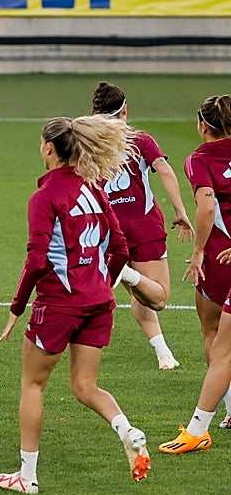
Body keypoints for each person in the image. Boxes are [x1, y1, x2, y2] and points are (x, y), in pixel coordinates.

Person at [0, 116, 151, 495]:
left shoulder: (44, 197)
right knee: (85, 385)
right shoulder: (94, 190)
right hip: (99, 302)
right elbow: (120, 250)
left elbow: (36, 261)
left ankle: (27, 476)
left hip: (59, 304)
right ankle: (126, 429)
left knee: (32, 384)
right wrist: (99, 283)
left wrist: (17, 308)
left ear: (49, 148)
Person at [93, 81, 193, 371]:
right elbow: (164, 169)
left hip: (109, 230)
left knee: (140, 293)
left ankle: (163, 352)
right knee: (158, 297)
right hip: (144, 225)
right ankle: (123, 272)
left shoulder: (89, 145)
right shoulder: (141, 140)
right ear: (125, 110)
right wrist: (180, 210)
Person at [160, 95, 231, 454]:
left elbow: (206, 205)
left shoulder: (199, 160)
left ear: (203, 125)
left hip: (221, 256)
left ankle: (216, 418)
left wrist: (199, 251)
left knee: (214, 333)